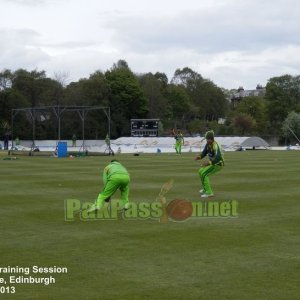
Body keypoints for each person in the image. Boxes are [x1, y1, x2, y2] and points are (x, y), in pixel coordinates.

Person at [195, 130, 224, 198]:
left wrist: (208, 163)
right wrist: (199, 157)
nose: (206, 141)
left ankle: (209, 193)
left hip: (218, 164)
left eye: (207, 139)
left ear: (211, 139)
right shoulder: (208, 144)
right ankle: (205, 189)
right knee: (200, 171)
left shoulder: (216, 145)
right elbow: (204, 153)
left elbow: (218, 157)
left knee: (204, 174)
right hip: (213, 163)